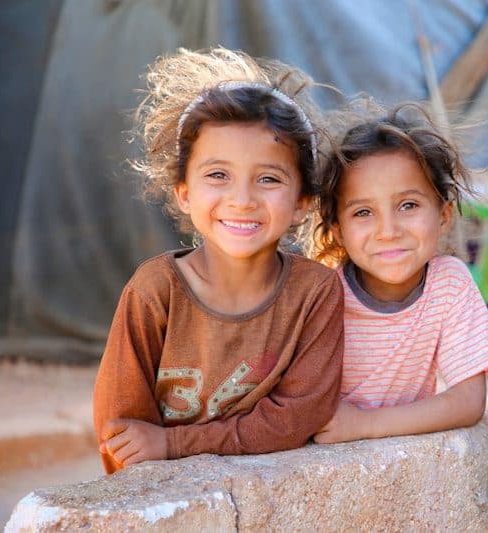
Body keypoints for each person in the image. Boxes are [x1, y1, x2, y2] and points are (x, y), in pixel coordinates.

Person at [93, 48, 344, 474]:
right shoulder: (155, 292)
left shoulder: (315, 292)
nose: (242, 200)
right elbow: (123, 434)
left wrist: (174, 443)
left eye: (268, 179)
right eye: (217, 175)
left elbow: (295, 419)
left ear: (302, 202)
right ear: (184, 192)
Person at [309, 100, 488, 444]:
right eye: (363, 212)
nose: (388, 230)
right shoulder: (323, 294)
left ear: (444, 215)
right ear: (338, 231)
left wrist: (364, 426)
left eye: (408, 205)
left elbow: (468, 402)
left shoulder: (448, 284)